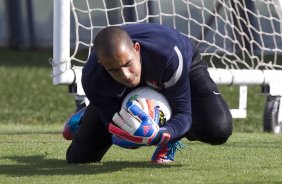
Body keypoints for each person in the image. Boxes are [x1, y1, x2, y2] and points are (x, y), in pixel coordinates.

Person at [63, 23, 233, 164]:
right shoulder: (93, 78)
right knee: (78, 159)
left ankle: (172, 140)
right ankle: (88, 114)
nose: (126, 75)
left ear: (137, 48)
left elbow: (183, 114)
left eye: (128, 64)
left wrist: (162, 134)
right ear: (102, 64)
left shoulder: (169, 56)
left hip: (178, 69)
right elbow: (116, 129)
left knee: (218, 129)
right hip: (122, 92)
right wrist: (132, 134)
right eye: (114, 70)